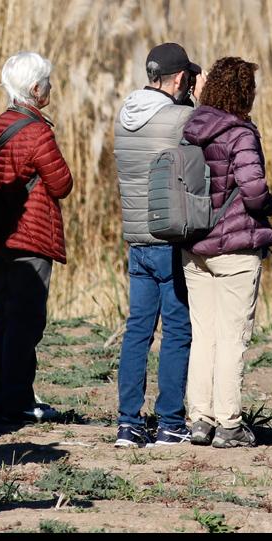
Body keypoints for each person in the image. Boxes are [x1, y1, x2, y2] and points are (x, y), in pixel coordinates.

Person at [180, 57, 272, 448]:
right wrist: (269, 205)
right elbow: (253, 191)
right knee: (232, 337)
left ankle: (199, 419)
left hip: (195, 246)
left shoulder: (192, 128)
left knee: (203, 335)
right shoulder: (240, 133)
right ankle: (229, 423)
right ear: (244, 93)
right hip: (235, 247)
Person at [112, 42, 205, 447]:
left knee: (137, 330)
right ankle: (170, 422)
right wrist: (200, 102)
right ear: (181, 78)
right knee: (177, 330)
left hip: (136, 238)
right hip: (169, 237)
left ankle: (128, 423)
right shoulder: (181, 118)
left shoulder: (124, 116)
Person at [0, 51, 73, 424]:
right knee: (26, 321)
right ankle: (17, 400)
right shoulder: (37, 131)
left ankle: (2, 395)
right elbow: (62, 184)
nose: (51, 88)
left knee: (3, 317)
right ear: (35, 89)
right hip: (30, 236)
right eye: (47, 82)